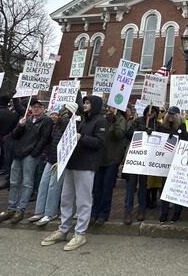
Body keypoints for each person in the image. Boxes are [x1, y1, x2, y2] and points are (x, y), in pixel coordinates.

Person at [41, 95, 107, 251]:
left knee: (83, 200)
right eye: (84, 102)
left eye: (88, 103)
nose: (85, 105)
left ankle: (80, 233)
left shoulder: (100, 121)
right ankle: (63, 229)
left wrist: (81, 137)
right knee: (66, 198)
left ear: (95, 105)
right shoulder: (82, 121)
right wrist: (61, 160)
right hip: (71, 164)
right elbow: (69, 143)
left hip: (86, 165)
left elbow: (99, 143)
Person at [0, 98, 52, 224]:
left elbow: (43, 139)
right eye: (33, 106)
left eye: (39, 106)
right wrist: (20, 126)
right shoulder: (27, 119)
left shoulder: (46, 121)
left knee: (27, 183)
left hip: (30, 155)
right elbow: (14, 135)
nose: (36, 108)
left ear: (43, 108)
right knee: (14, 182)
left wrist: (34, 153)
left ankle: (21, 209)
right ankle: (11, 208)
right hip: (18, 154)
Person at [28, 103, 76, 226]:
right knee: (43, 184)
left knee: (53, 186)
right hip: (51, 158)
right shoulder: (55, 125)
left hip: (60, 160)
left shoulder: (67, 123)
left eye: (57, 113)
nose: (54, 115)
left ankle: (50, 212)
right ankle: (40, 211)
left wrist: (60, 160)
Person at [90, 105, 127, 224]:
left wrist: (115, 121)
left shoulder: (121, 119)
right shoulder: (102, 118)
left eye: (112, 107)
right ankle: (94, 213)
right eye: (108, 106)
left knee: (107, 187)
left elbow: (119, 135)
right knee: (97, 188)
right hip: (100, 158)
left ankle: (103, 214)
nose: (109, 108)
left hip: (112, 158)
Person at [124, 104, 159, 224]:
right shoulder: (138, 121)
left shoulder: (156, 124)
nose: (151, 114)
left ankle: (141, 209)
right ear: (145, 112)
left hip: (146, 161)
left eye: (154, 112)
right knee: (131, 186)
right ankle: (127, 211)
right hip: (135, 159)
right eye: (149, 111)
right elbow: (128, 134)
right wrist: (141, 130)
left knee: (143, 186)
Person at [157, 106, 187, 222]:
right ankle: (164, 212)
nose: (171, 116)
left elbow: (185, 139)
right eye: (169, 114)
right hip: (166, 161)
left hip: (177, 161)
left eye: (173, 114)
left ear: (178, 116)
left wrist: (175, 135)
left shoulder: (182, 126)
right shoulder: (162, 126)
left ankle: (177, 211)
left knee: (177, 187)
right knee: (165, 187)